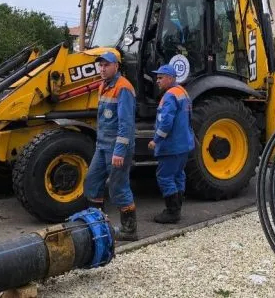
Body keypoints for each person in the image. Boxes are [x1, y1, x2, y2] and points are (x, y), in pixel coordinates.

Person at [83, 51, 139, 241]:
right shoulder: (103, 86)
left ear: (116, 66)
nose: (102, 69)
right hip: (102, 146)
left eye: (106, 65)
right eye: (101, 65)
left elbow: (126, 124)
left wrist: (119, 151)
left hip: (116, 148)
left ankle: (129, 230)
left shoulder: (123, 88)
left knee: (118, 187)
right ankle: (98, 226)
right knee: (92, 182)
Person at [148, 64, 195, 224]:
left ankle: (172, 212)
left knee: (165, 177)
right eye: (157, 78)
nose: (157, 81)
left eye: (160, 78)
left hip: (171, 146)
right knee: (178, 175)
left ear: (170, 78)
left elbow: (166, 122)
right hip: (184, 144)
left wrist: (156, 140)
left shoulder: (169, 96)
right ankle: (177, 207)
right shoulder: (182, 92)